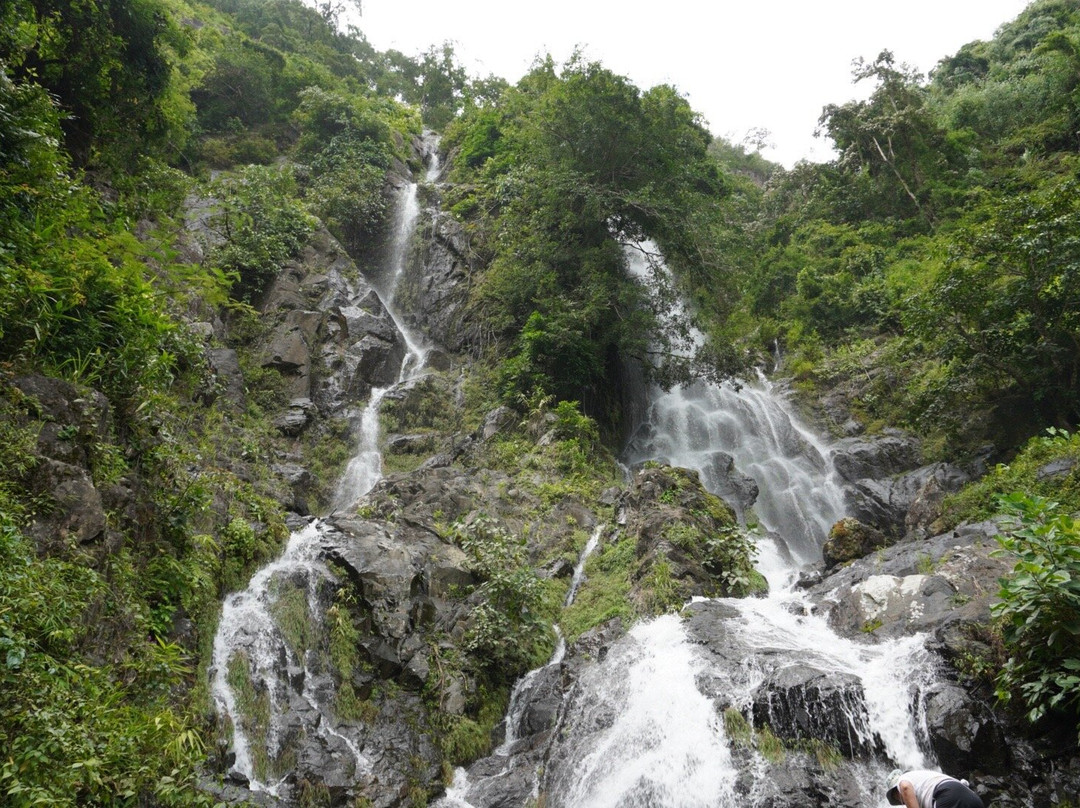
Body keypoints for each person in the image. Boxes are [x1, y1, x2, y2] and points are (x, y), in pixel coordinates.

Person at [885, 768, 985, 808]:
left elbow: (905, 787)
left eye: (897, 797)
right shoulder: (925, 779)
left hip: (947, 796)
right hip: (973, 798)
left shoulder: (902, 780)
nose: (903, 802)